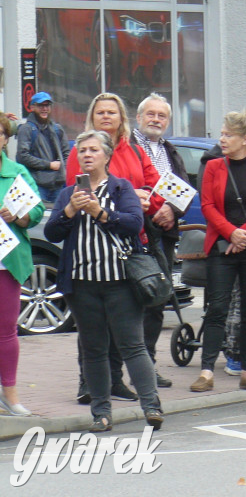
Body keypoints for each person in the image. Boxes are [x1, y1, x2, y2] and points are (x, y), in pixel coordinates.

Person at [47, 130, 162, 432]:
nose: (86, 155)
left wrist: (99, 212)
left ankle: (151, 406)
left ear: (107, 156)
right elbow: (52, 233)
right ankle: (101, 413)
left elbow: (134, 224)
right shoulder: (68, 193)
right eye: (82, 150)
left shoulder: (122, 188)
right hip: (83, 285)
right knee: (94, 349)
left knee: (132, 345)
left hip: (120, 283)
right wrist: (71, 209)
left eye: (93, 150)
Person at [67, 92, 167, 405]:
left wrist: (150, 201)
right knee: (94, 323)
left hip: (131, 242)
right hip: (93, 245)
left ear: (122, 118)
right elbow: (77, 190)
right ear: (92, 118)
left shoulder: (135, 152)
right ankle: (90, 383)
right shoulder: (82, 150)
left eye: (112, 112)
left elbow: (156, 185)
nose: (107, 117)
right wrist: (122, 200)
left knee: (134, 314)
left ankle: (116, 378)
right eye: (101, 113)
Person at [191, 110, 246, 393]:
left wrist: (245, 233)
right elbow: (207, 206)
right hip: (222, 246)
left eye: (228, 134)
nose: (222, 139)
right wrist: (231, 232)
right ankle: (206, 372)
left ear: (245, 139)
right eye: (222, 133)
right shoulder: (214, 166)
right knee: (217, 307)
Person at [132, 93, 189, 387]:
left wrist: (172, 209)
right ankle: (119, 369)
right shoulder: (127, 146)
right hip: (133, 232)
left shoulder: (171, 151)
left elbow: (183, 187)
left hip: (163, 234)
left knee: (156, 300)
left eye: (161, 116)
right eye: (150, 114)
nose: (155, 120)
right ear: (139, 117)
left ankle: (147, 366)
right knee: (129, 302)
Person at [0, 116, 45, 417]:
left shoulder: (17, 173)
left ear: (5, 138)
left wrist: (19, 217)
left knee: (6, 331)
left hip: (7, 262)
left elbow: (37, 209)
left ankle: (10, 396)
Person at [16, 91, 70, 203]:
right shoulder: (27, 129)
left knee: (58, 218)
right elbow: (22, 156)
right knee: (39, 218)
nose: (44, 109)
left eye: (47, 105)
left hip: (58, 185)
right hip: (37, 185)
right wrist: (49, 165)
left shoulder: (57, 129)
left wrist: (62, 169)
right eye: (41, 105)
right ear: (32, 107)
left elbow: (66, 154)